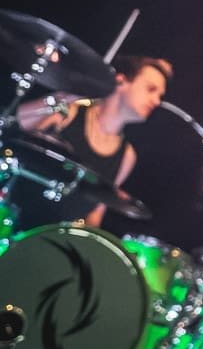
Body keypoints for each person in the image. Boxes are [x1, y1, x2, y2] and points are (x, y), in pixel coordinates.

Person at [10, 54, 172, 230]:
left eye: (160, 96)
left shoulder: (127, 156)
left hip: (50, 239)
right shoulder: (68, 112)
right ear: (121, 81)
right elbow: (13, 121)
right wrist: (62, 97)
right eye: (150, 89)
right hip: (12, 217)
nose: (156, 101)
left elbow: (96, 213)